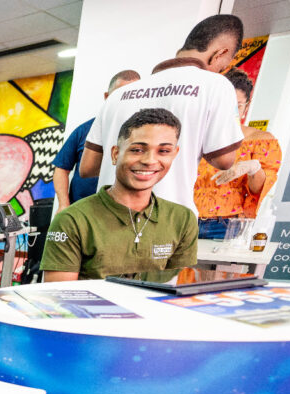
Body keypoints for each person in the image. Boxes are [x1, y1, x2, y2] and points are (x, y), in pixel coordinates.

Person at [80, 14, 245, 214]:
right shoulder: (215, 85)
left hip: (107, 217)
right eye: (224, 64)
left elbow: (87, 168)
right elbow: (224, 160)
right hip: (166, 223)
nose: (221, 69)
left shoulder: (119, 94)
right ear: (220, 53)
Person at [42, 108, 198, 281]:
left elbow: (179, 290)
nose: (149, 160)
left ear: (174, 154)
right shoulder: (72, 220)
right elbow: (60, 299)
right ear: (115, 154)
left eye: (163, 151)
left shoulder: (183, 219)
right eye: (137, 150)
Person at [194, 68, 282, 237]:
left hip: (225, 223)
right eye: (224, 104)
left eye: (237, 105)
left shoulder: (260, 140)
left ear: (246, 106)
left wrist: (253, 168)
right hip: (184, 217)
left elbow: (257, 190)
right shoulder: (196, 135)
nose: (229, 110)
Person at [53, 70, 140, 212]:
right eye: (119, 95)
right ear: (107, 96)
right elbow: (61, 168)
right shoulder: (84, 130)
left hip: (123, 212)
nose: (125, 100)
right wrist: (63, 204)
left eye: (131, 95)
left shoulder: (146, 132)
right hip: (82, 210)